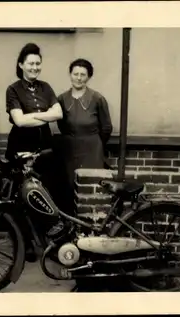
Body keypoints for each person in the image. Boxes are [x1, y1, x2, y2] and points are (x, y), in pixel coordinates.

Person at [4, 43, 65, 262]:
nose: (35, 67)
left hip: (45, 150)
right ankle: (26, 244)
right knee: (20, 197)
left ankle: (53, 244)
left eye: (38, 63)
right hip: (20, 149)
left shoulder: (46, 87)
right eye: (31, 63)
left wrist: (33, 116)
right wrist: (44, 114)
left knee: (47, 194)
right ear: (21, 65)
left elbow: (58, 114)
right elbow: (18, 121)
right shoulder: (13, 89)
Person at [56, 58, 113, 213]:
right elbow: (61, 124)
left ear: (88, 77)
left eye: (83, 74)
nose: (79, 78)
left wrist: (95, 144)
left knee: (91, 186)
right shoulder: (61, 99)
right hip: (69, 150)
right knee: (68, 186)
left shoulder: (97, 99)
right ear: (70, 75)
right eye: (75, 74)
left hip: (92, 149)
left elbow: (106, 127)